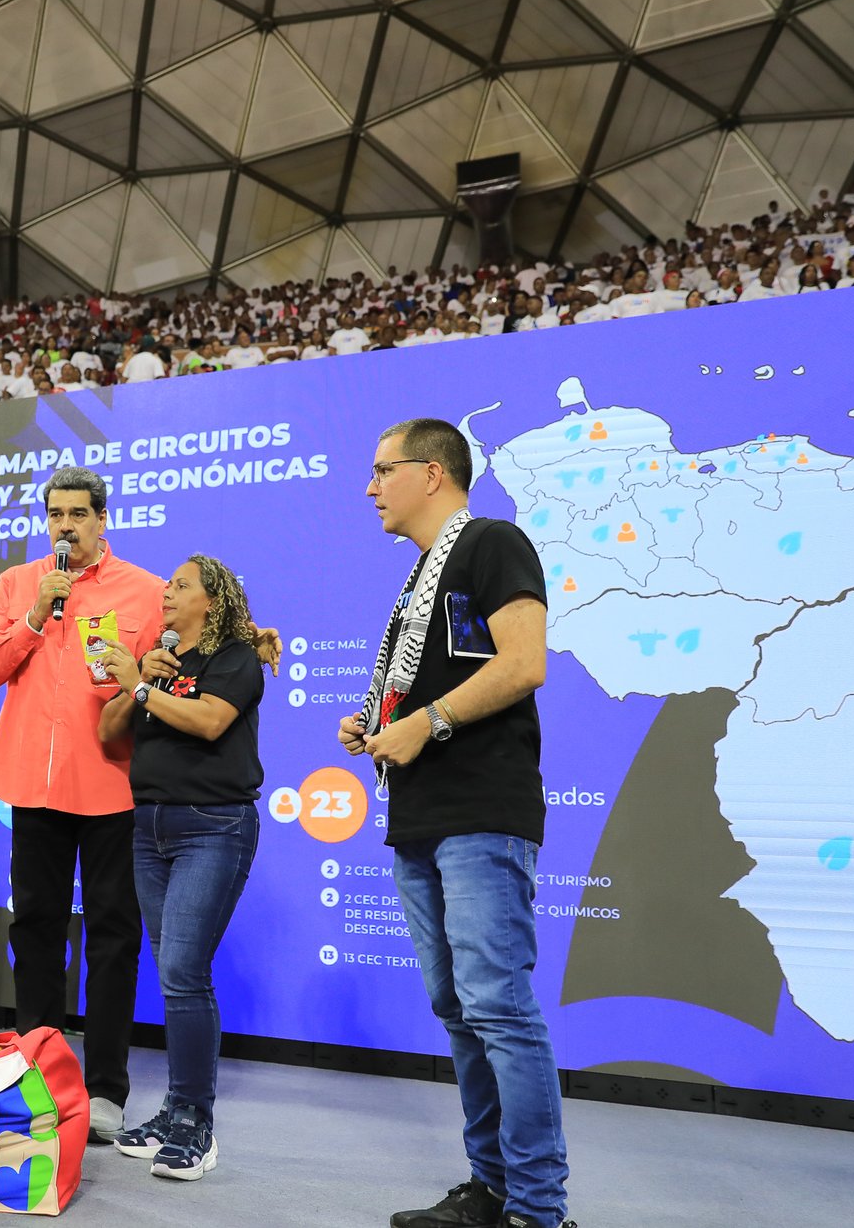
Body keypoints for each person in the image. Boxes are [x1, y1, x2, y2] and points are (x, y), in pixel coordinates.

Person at [340, 419, 571, 1228]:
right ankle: (492, 1186)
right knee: (459, 1007)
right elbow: (446, 674)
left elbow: (524, 662)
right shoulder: (418, 579)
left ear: (432, 473)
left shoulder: (491, 542)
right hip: (421, 815)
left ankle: (539, 1207)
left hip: (481, 810)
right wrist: (381, 721)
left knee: (498, 1004)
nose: (370, 487)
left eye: (381, 469)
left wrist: (426, 720)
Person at [0, 465, 162, 1142]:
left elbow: (166, 675)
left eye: (78, 513)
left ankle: (106, 1086)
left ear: (102, 519)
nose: (66, 526)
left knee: (114, 935)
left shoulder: (147, 590)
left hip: (113, 784)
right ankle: (35, 1072)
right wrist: (32, 617)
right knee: (38, 929)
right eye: (56, 514)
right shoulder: (20, 584)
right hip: (33, 785)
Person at [96, 555, 270, 1181]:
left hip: (214, 826)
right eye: (167, 585)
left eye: (180, 585)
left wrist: (145, 690)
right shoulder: (162, 660)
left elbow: (210, 721)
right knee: (176, 977)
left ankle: (196, 1122)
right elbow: (109, 733)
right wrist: (137, 681)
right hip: (150, 828)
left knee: (182, 972)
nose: (166, 593)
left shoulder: (236, 659)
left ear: (211, 601)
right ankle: (174, 1112)